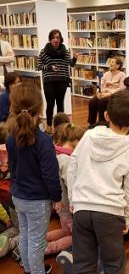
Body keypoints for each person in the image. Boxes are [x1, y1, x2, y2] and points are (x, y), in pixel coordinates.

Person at [68, 90, 129, 274]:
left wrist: (73, 199)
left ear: (106, 115)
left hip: (82, 209)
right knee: (114, 264)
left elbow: (72, 167)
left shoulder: (87, 136)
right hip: (110, 213)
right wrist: (127, 216)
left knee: (83, 263)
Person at [6, 83, 63, 274]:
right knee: (37, 241)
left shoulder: (10, 137)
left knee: (25, 235)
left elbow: (13, 168)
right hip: (37, 201)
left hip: (18, 196)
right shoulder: (44, 141)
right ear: (40, 108)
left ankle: (30, 269)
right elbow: (50, 175)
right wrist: (57, 198)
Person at [45, 123, 85, 255]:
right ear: (76, 142)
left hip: (59, 205)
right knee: (78, 237)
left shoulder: (54, 153)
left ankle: (39, 241)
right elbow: (72, 185)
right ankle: (45, 249)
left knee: (66, 230)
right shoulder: (66, 160)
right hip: (68, 206)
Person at [38, 29, 77, 133]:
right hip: (49, 80)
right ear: (50, 39)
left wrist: (75, 59)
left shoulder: (65, 51)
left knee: (60, 103)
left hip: (62, 80)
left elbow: (71, 64)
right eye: (54, 37)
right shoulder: (43, 51)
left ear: (60, 39)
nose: (56, 39)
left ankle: (60, 127)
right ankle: (49, 126)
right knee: (50, 104)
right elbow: (39, 66)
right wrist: (50, 67)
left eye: (58, 37)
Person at [87, 57, 125, 125]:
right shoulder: (106, 74)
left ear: (118, 65)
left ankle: (102, 123)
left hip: (115, 95)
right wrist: (99, 92)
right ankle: (91, 123)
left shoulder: (122, 75)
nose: (110, 63)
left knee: (102, 102)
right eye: (110, 62)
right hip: (104, 93)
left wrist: (109, 93)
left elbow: (122, 88)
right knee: (92, 102)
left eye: (112, 62)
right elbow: (100, 85)